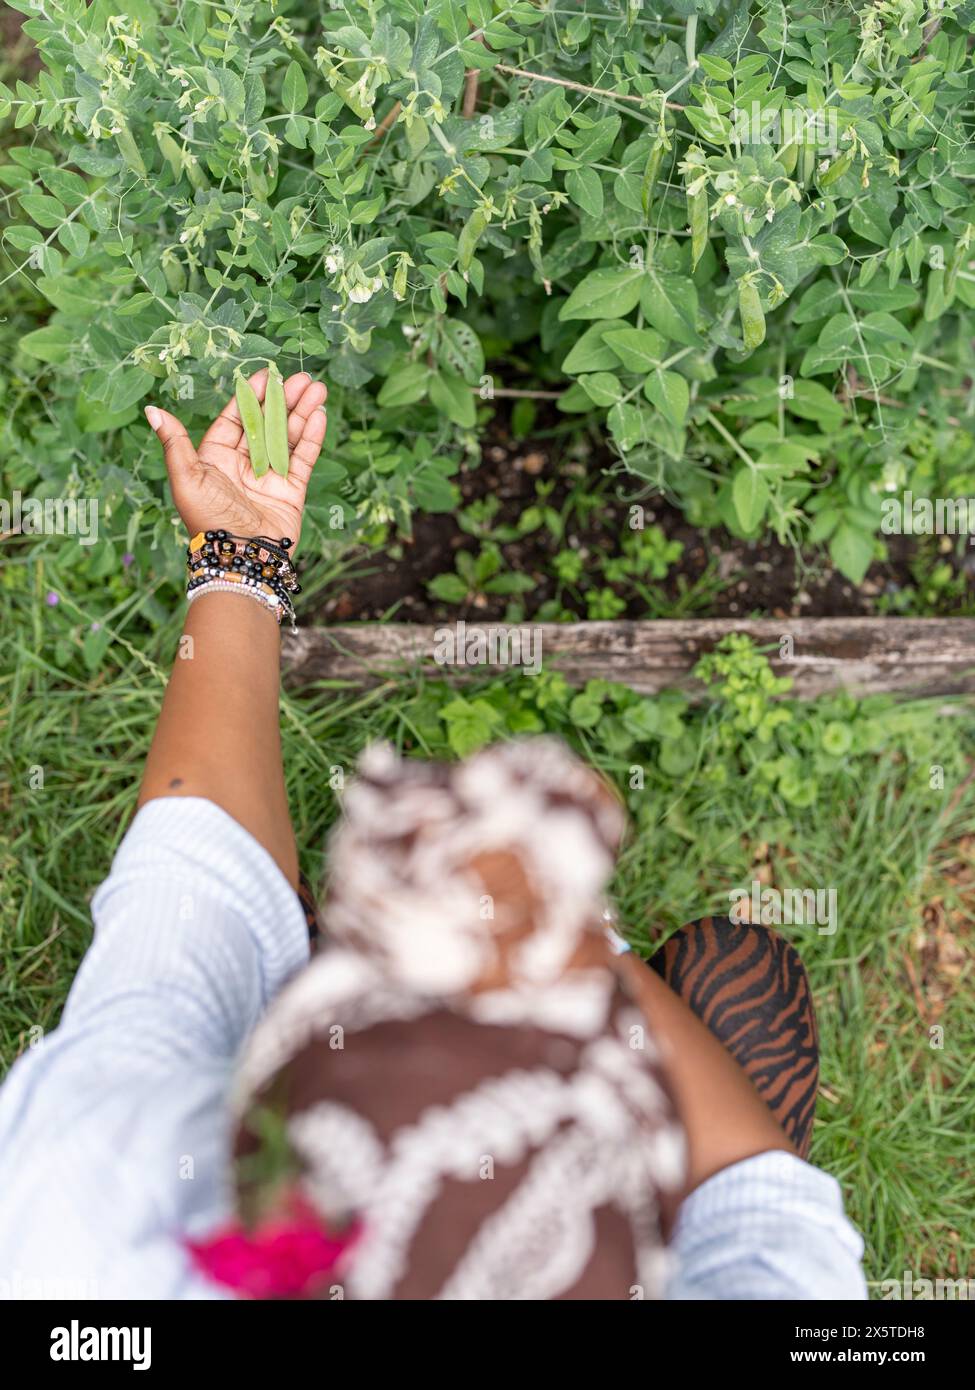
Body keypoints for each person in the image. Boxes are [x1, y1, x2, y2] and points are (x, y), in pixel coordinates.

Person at [0, 371, 866, 1300]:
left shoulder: (85, 1221)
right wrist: (542, 928)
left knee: (249, 951)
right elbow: (756, 1194)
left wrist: (239, 558)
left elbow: (196, 876)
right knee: (742, 988)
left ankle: (321, 962)